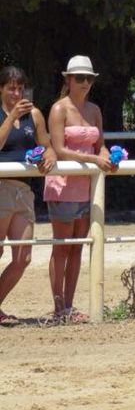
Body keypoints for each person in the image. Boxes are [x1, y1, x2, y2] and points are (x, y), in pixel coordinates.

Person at [45, 55, 115, 324]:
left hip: (87, 187)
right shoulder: (59, 109)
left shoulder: (94, 110)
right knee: (62, 247)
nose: (85, 83)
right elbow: (59, 149)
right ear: (69, 80)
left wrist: (107, 156)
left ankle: (69, 306)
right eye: (80, 78)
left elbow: (101, 144)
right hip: (63, 186)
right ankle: (58, 307)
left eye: (89, 78)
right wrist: (95, 160)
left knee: (77, 248)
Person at [0, 65, 57, 326]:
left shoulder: (34, 115)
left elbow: (47, 145)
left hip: (24, 191)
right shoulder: (6, 114)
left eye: (20, 88)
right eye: (11, 88)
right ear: (2, 89)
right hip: (1, 187)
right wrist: (11, 116)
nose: (16, 93)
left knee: (23, 257)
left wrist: (49, 156)